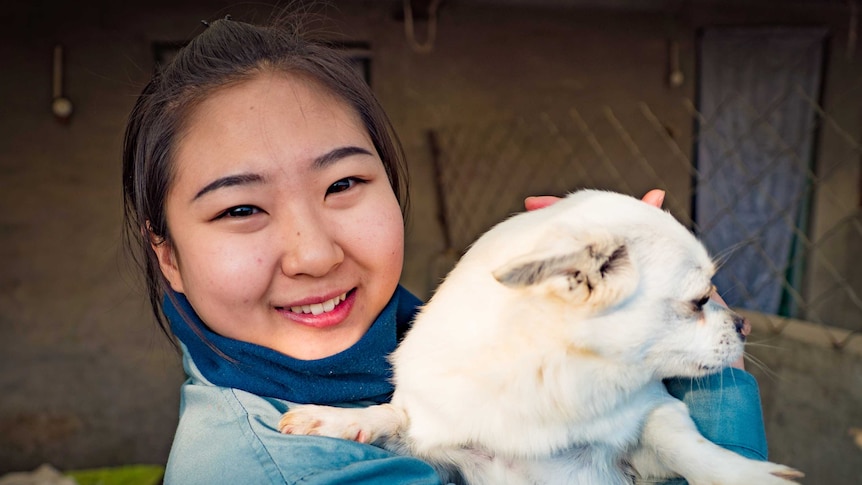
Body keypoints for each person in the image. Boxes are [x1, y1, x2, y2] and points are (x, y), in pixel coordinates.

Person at [122, 15, 769, 485]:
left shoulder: (439, 348)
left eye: (343, 183)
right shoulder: (287, 469)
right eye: (240, 208)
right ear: (168, 255)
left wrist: (641, 313)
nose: (313, 254)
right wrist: (707, 379)